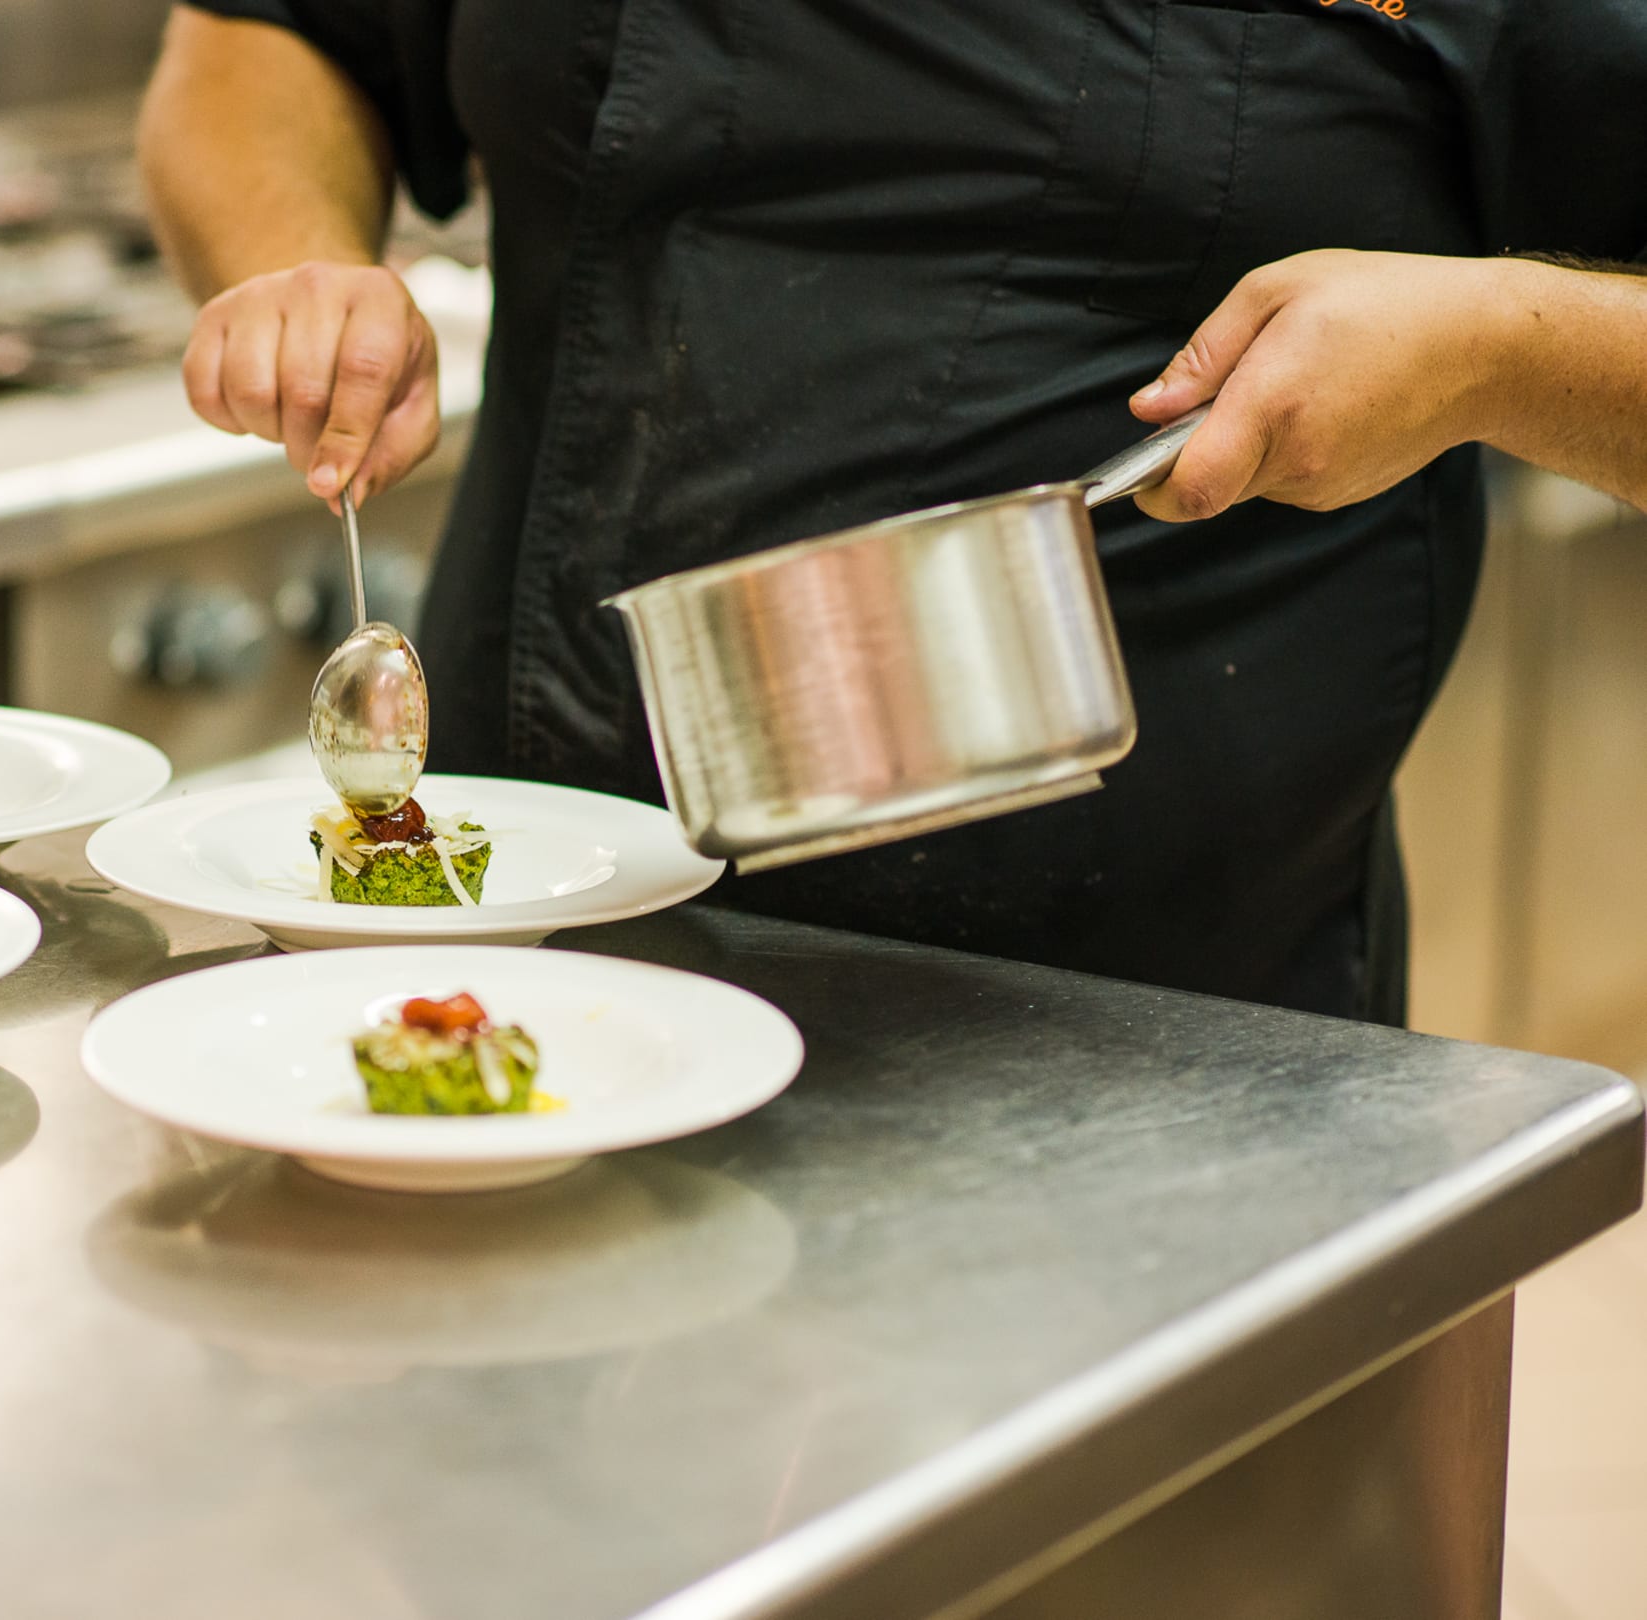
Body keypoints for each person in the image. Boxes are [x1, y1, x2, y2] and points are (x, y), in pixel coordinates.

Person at [137, 0, 1647, 1023]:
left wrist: (1493, 347)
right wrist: (294, 268)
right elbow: (270, 41)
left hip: (1152, 1035)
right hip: (529, 949)